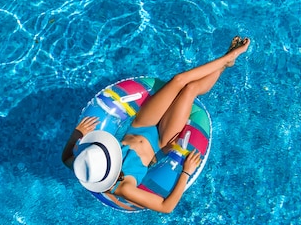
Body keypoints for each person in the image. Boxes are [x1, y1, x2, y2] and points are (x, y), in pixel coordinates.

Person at [62, 36, 250, 213]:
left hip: (139, 125)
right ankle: (228, 62)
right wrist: (186, 171)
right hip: (161, 140)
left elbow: (65, 158)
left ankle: (228, 56)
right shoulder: (124, 189)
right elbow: (166, 207)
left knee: (178, 80)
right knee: (190, 90)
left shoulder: (86, 161)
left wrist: (77, 133)